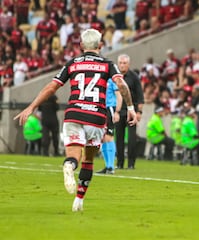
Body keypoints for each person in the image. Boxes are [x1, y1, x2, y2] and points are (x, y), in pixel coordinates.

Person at [14, 29, 137, 212]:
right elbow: (121, 84)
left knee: (73, 155)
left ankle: (69, 166)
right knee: (88, 159)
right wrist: (131, 107)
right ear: (100, 45)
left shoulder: (73, 64)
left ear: (81, 46)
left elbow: (51, 87)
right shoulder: (107, 64)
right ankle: (79, 200)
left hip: (74, 114)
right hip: (96, 117)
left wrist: (31, 107)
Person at [115, 54, 144, 169]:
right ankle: (120, 163)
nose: (122, 65)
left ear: (129, 64)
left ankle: (131, 164)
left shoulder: (134, 77)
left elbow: (140, 95)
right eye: (120, 63)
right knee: (119, 139)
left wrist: (139, 112)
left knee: (132, 139)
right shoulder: (115, 77)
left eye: (124, 63)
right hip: (118, 111)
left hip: (131, 111)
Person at [96, 77, 123, 174]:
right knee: (102, 138)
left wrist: (117, 112)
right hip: (101, 109)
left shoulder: (112, 80)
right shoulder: (100, 79)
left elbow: (119, 95)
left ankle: (111, 167)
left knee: (109, 136)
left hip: (110, 108)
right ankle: (107, 166)